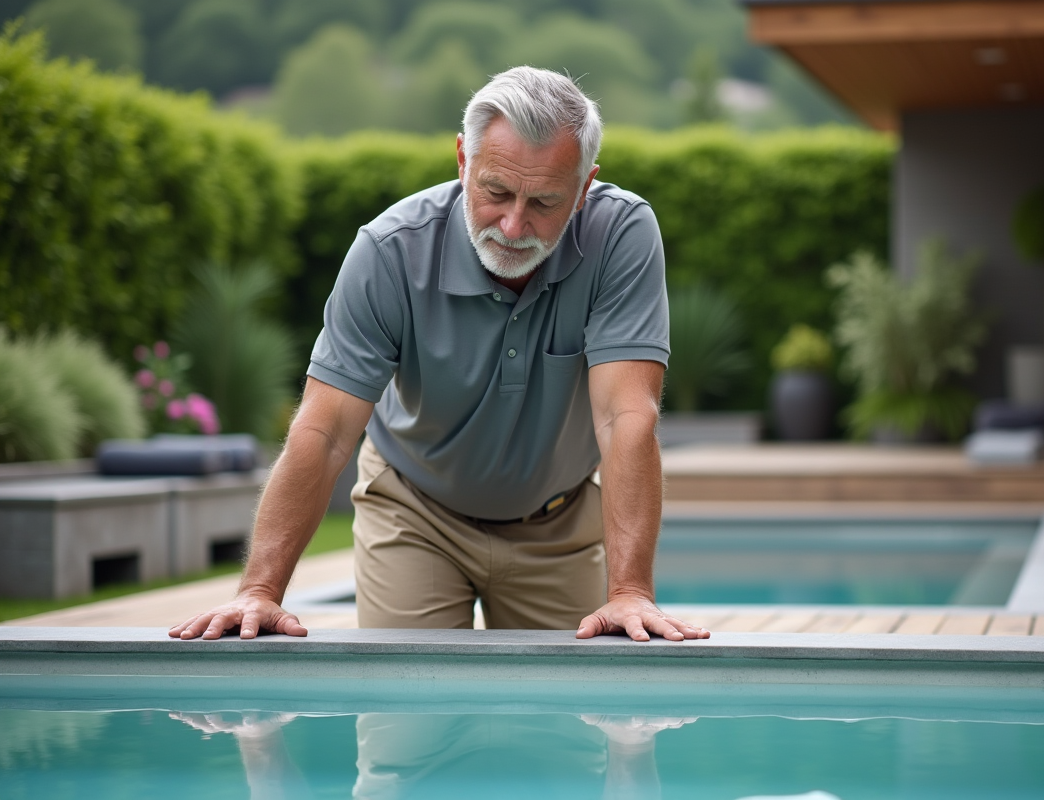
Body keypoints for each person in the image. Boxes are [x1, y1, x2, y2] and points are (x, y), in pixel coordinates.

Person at [169, 67, 708, 644]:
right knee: (410, 722)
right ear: (462, 159)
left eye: (546, 201)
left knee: (559, 729)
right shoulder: (389, 251)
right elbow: (325, 432)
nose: (513, 224)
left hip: (558, 522)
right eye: (495, 191)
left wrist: (630, 592)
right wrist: (260, 591)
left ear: (583, 187)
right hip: (414, 514)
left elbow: (625, 415)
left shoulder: (621, 235)